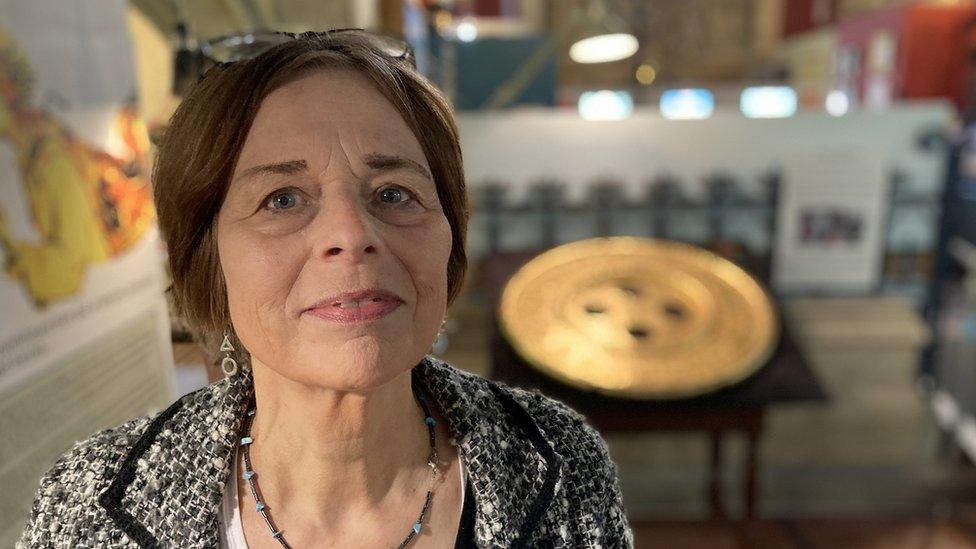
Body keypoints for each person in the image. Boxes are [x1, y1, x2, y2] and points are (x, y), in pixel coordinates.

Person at [17, 29, 633, 548]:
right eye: (281, 199)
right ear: (210, 256)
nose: (351, 234)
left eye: (395, 194)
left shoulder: (561, 462)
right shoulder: (91, 505)